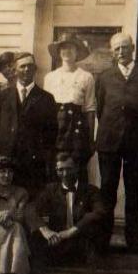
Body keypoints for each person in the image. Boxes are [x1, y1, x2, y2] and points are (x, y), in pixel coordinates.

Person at [95, 32, 138, 251]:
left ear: (132, 48)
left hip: (137, 141)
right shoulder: (105, 76)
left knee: (134, 190)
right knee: (107, 190)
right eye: (116, 49)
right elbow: (100, 108)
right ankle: (102, 239)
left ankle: (134, 238)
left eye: (124, 47)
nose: (120, 52)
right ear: (112, 51)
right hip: (110, 142)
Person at [24, 154, 107, 274]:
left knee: (94, 232)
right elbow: (31, 209)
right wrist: (45, 230)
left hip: (80, 243)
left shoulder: (91, 190)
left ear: (76, 168)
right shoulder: (50, 190)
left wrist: (73, 230)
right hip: (56, 243)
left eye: (68, 169)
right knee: (35, 237)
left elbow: (99, 212)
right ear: (56, 171)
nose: (65, 174)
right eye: (60, 170)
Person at [0, 52, 58, 195]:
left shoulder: (46, 98)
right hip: (7, 161)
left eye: (30, 66)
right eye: (23, 66)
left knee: (30, 202)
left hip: (33, 162)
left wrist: (43, 157)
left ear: (35, 69)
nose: (27, 70)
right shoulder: (3, 96)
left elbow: (51, 133)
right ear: (15, 70)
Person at [44, 33, 96, 174]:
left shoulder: (86, 77)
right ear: (59, 52)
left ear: (77, 52)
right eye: (63, 48)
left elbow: (90, 110)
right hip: (55, 128)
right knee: (55, 169)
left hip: (76, 130)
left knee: (76, 168)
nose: (67, 52)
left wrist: (91, 139)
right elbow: (46, 109)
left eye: (71, 48)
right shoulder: (50, 77)